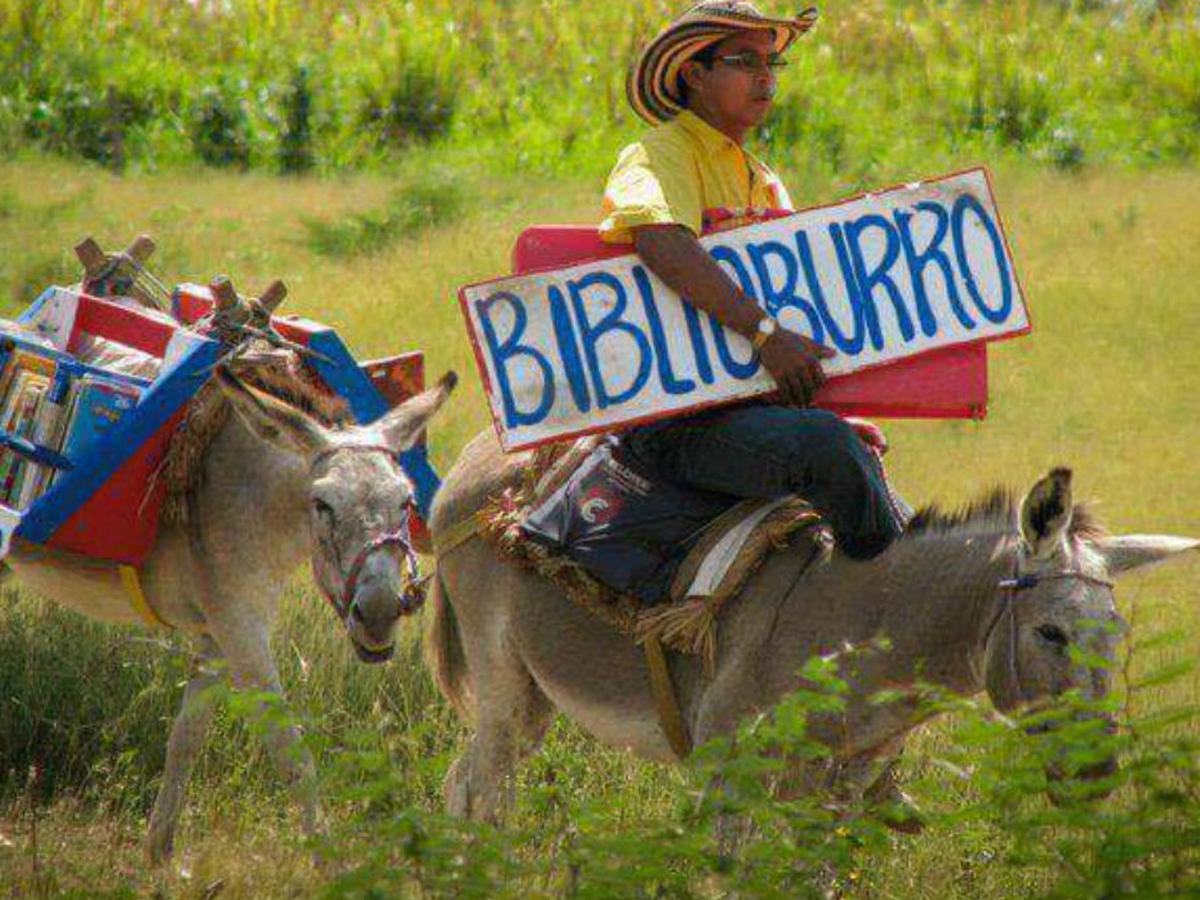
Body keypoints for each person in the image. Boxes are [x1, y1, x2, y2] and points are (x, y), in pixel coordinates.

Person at [598, 0, 906, 560]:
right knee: (829, 450)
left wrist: (828, 409)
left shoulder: (765, 180)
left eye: (772, 65)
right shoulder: (659, 153)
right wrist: (765, 335)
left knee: (864, 463)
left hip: (755, 408)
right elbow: (660, 238)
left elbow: (801, 309)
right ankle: (890, 613)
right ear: (694, 73)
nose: (765, 78)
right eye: (744, 62)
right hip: (679, 419)